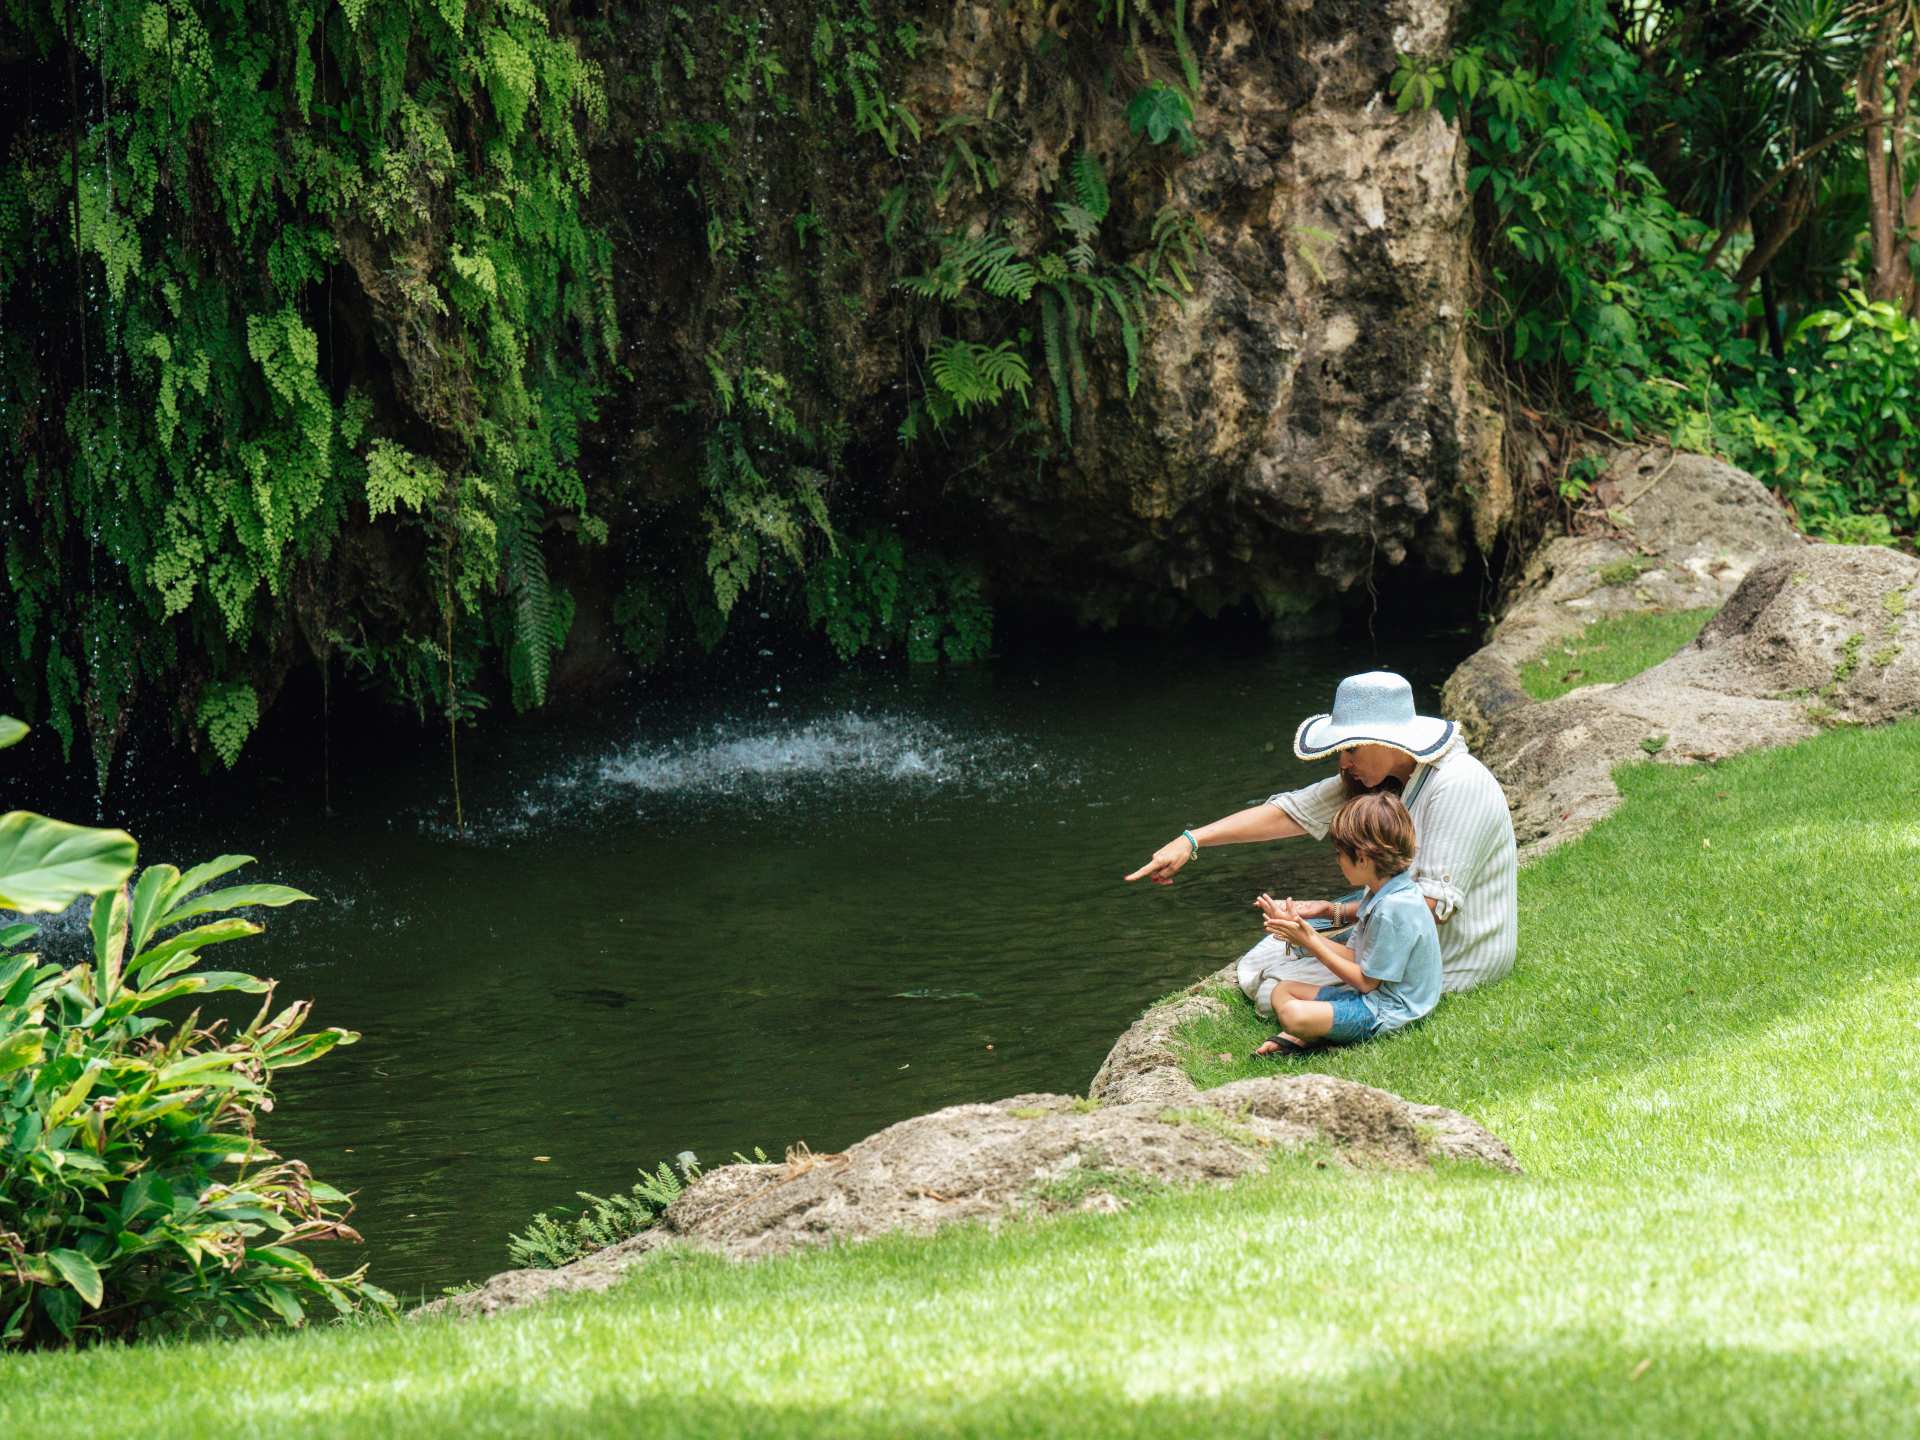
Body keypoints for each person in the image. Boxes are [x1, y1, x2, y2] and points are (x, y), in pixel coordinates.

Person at [1123, 670, 1517, 1016]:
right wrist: (1190, 840)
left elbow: (1431, 909)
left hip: (1454, 958)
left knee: (1270, 987)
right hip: (1400, 936)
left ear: (1389, 740)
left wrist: (1335, 920)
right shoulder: (1385, 778)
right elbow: (1290, 812)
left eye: (1350, 748)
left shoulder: (1456, 784)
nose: (1343, 763)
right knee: (1265, 959)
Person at [1249, 790, 1440, 1055]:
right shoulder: (1384, 894)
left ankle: (1313, 1035)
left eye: (1339, 853)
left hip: (1385, 1011)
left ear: (1362, 857)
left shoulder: (1393, 909)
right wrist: (1303, 934)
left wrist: (1310, 941)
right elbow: (1355, 956)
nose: (1337, 860)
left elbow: (1365, 982)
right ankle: (1316, 1032)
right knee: (1282, 990)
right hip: (1369, 998)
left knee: (1294, 1014)